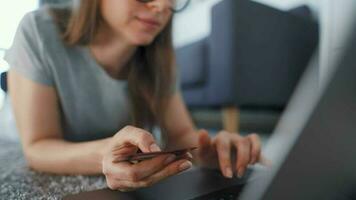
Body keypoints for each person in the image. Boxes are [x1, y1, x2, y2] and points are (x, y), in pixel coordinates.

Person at [6, 0, 264, 191]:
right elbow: (37, 146)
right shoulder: (38, 31)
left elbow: (181, 135)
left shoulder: (160, 56)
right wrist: (105, 154)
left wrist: (207, 151)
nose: (163, 6)